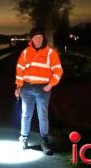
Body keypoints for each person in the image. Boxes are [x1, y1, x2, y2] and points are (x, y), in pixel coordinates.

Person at [14, 27, 63, 155]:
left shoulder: (50, 53)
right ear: (32, 39)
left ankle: (44, 141)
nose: (39, 39)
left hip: (43, 89)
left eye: (41, 37)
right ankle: (23, 139)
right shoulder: (25, 53)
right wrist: (18, 87)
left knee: (43, 116)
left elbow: (58, 70)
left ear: (44, 38)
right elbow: (20, 70)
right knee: (26, 114)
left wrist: (50, 85)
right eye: (36, 37)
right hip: (27, 88)